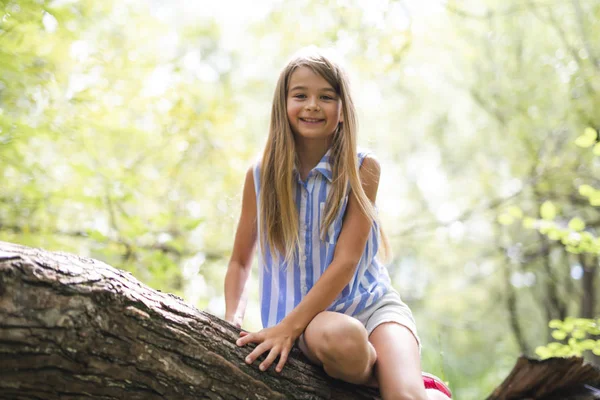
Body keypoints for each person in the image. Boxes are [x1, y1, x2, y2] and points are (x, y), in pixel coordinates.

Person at [224, 47, 452, 400]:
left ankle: (406, 380)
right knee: (342, 338)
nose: (313, 105)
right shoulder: (260, 176)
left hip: (374, 308)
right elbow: (240, 260)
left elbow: (346, 261)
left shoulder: (362, 168)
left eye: (326, 97)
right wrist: (231, 321)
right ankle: (385, 374)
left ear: (342, 110)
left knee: (408, 397)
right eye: (300, 95)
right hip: (311, 323)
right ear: (282, 105)